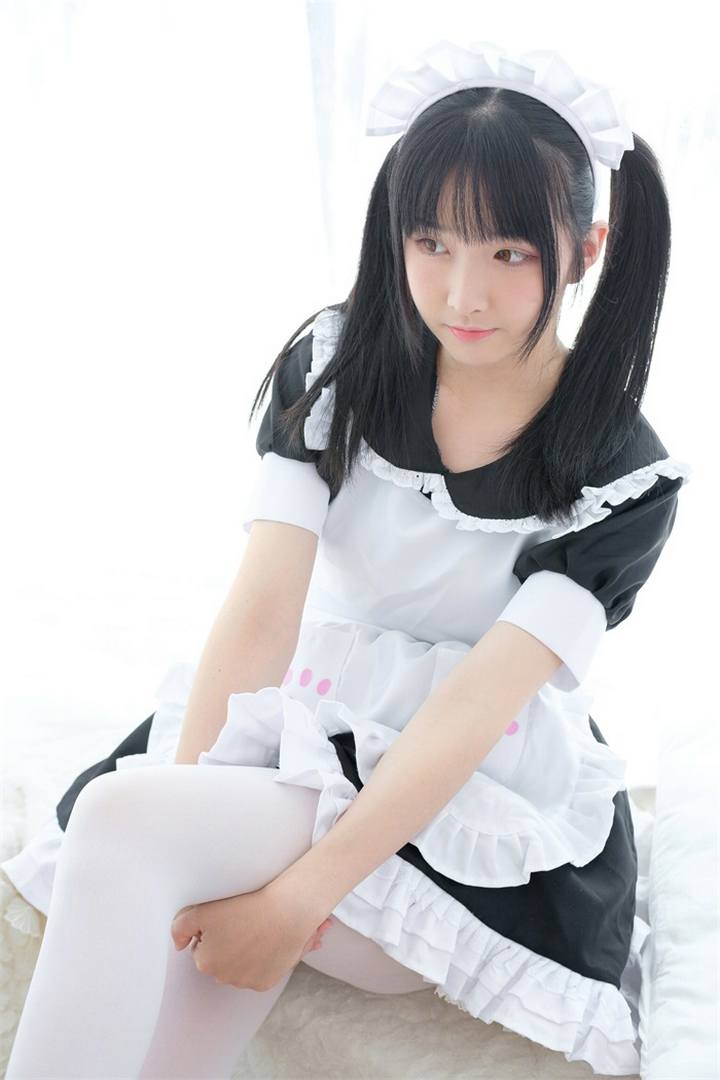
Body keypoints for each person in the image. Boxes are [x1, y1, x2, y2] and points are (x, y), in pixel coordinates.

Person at [2, 39, 692, 1078]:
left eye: (509, 254)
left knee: (122, 818)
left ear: (586, 248)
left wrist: (296, 901)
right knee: (139, 818)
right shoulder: (338, 366)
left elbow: (473, 710)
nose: (462, 292)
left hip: (461, 819)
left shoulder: (620, 474)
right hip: (311, 731)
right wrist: (193, 804)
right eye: (432, 243)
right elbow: (262, 612)